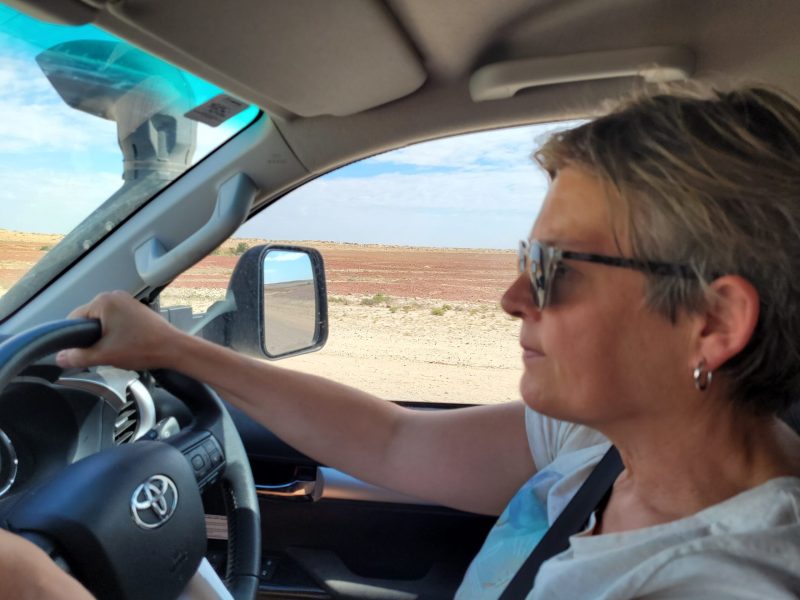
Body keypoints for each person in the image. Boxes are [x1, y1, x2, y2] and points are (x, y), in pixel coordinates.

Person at [6, 84, 800, 599]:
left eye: (554, 269)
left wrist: (39, 586)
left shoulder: (722, 582)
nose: (512, 299)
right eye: (525, 260)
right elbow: (393, 440)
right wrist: (175, 350)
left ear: (712, 323)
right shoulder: (605, 444)